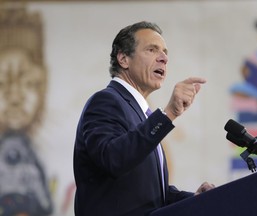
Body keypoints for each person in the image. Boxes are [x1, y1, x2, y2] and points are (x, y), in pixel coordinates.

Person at [73, 21, 214, 216]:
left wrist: (195, 199)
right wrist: (169, 113)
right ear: (123, 59)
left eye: (165, 52)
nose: (164, 58)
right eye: (152, 50)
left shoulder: (143, 114)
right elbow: (114, 159)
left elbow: (148, 193)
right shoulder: (105, 101)